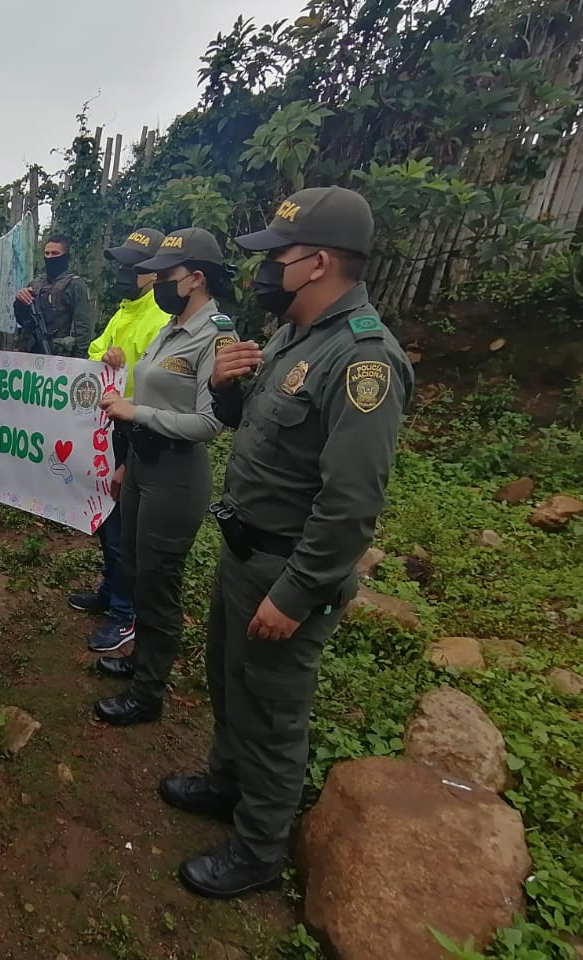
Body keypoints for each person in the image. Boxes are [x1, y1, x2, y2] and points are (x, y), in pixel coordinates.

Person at [162, 186, 414, 899]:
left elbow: (352, 502)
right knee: (228, 678)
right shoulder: (293, 335)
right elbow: (264, 435)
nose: (266, 268)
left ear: (319, 261)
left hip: (286, 567)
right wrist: (225, 388)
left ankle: (258, 849)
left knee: (273, 713)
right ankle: (224, 782)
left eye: (277, 256)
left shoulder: (364, 361)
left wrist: (297, 593)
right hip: (245, 549)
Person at [93, 229, 230, 725]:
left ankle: (147, 693)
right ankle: (138, 661)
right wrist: (128, 457)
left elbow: (209, 423)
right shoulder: (170, 327)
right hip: (143, 467)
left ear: (195, 279)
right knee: (133, 566)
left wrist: (134, 414)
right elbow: (149, 395)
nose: (157, 283)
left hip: (176, 475)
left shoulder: (216, 335)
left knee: (159, 583)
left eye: (167, 276)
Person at [69, 227, 169, 654]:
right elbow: (94, 351)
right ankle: (111, 590)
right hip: (107, 427)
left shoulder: (161, 319)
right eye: (123, 264)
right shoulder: (124, 310)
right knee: (107, 519)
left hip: (136, 432)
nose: (125, 272)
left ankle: (125, 614)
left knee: (124, 527)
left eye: (135, 266)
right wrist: (107, 359)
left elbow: (157, 388)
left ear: (154, 271)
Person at [13, 235, 94, 357]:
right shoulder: (35, 284)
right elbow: (25, 321)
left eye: (55, 253)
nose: (50, 257)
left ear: (65, 257)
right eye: (47, 253)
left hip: (59, 356)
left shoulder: (74, 285)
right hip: (29, 355)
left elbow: (83, 330)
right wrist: (20, 302)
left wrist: (78, 361)